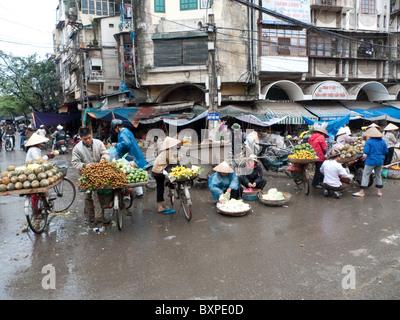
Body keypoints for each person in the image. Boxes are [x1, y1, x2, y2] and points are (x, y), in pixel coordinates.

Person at [71, 127, 110, 224]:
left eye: (89, 138)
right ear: (81, 138)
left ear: (91, 135)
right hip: (85, 175)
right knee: (87, 196)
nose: (88, 140)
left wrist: (103, 159)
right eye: (85, 139)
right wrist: (84, 165)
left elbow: (106, 153)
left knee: (98, 195)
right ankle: (90, 216)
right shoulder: (77, 148)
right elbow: (75, 163)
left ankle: (99, 217)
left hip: (99, 173)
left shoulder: (99, 143)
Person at [110, 119, 148, 197]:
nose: (115, 131)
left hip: (130, 155)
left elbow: (126, 144)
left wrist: (116, 145)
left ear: (117, 127)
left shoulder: (123, 133)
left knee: (131, 172)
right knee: (135, 172)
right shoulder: (127, 131)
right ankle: (139, 192)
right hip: (134, 154)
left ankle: (129, 194)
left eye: (114, 129)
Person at [353, 127, 388, 197]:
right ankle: (379, 192)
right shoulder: (383, 141)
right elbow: (386, 151)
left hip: (371, 161)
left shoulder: (369, 141)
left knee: (365, 175)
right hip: (380, 160)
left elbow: (366, 151)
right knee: (378, 175)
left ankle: (362, 192)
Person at [151, 137, 181, 214]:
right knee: (161, 188)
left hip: (156, 171)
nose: (175, 145)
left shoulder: (167, 151)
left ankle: (169, 184)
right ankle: (160, 208)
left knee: (160, 188)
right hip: (158, 172)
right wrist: (179, 158)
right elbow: (173, 161)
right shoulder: (169, 152)